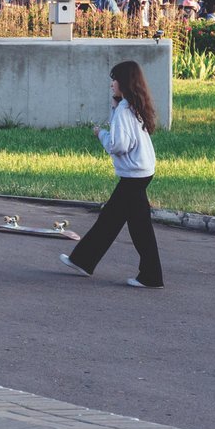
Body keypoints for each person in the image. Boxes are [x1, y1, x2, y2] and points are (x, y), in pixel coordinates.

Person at [59, 60, 163, 289]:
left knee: (129, 225)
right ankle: (83, 261)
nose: (111, 84)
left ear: (123, 82)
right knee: (119, 221)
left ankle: (151, 276)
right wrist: (114, 108)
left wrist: (101, 134)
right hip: (141, 171)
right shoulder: (132, 105)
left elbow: (119, 145)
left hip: (133, 174)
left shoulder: (125, 110)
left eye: (114, 79)